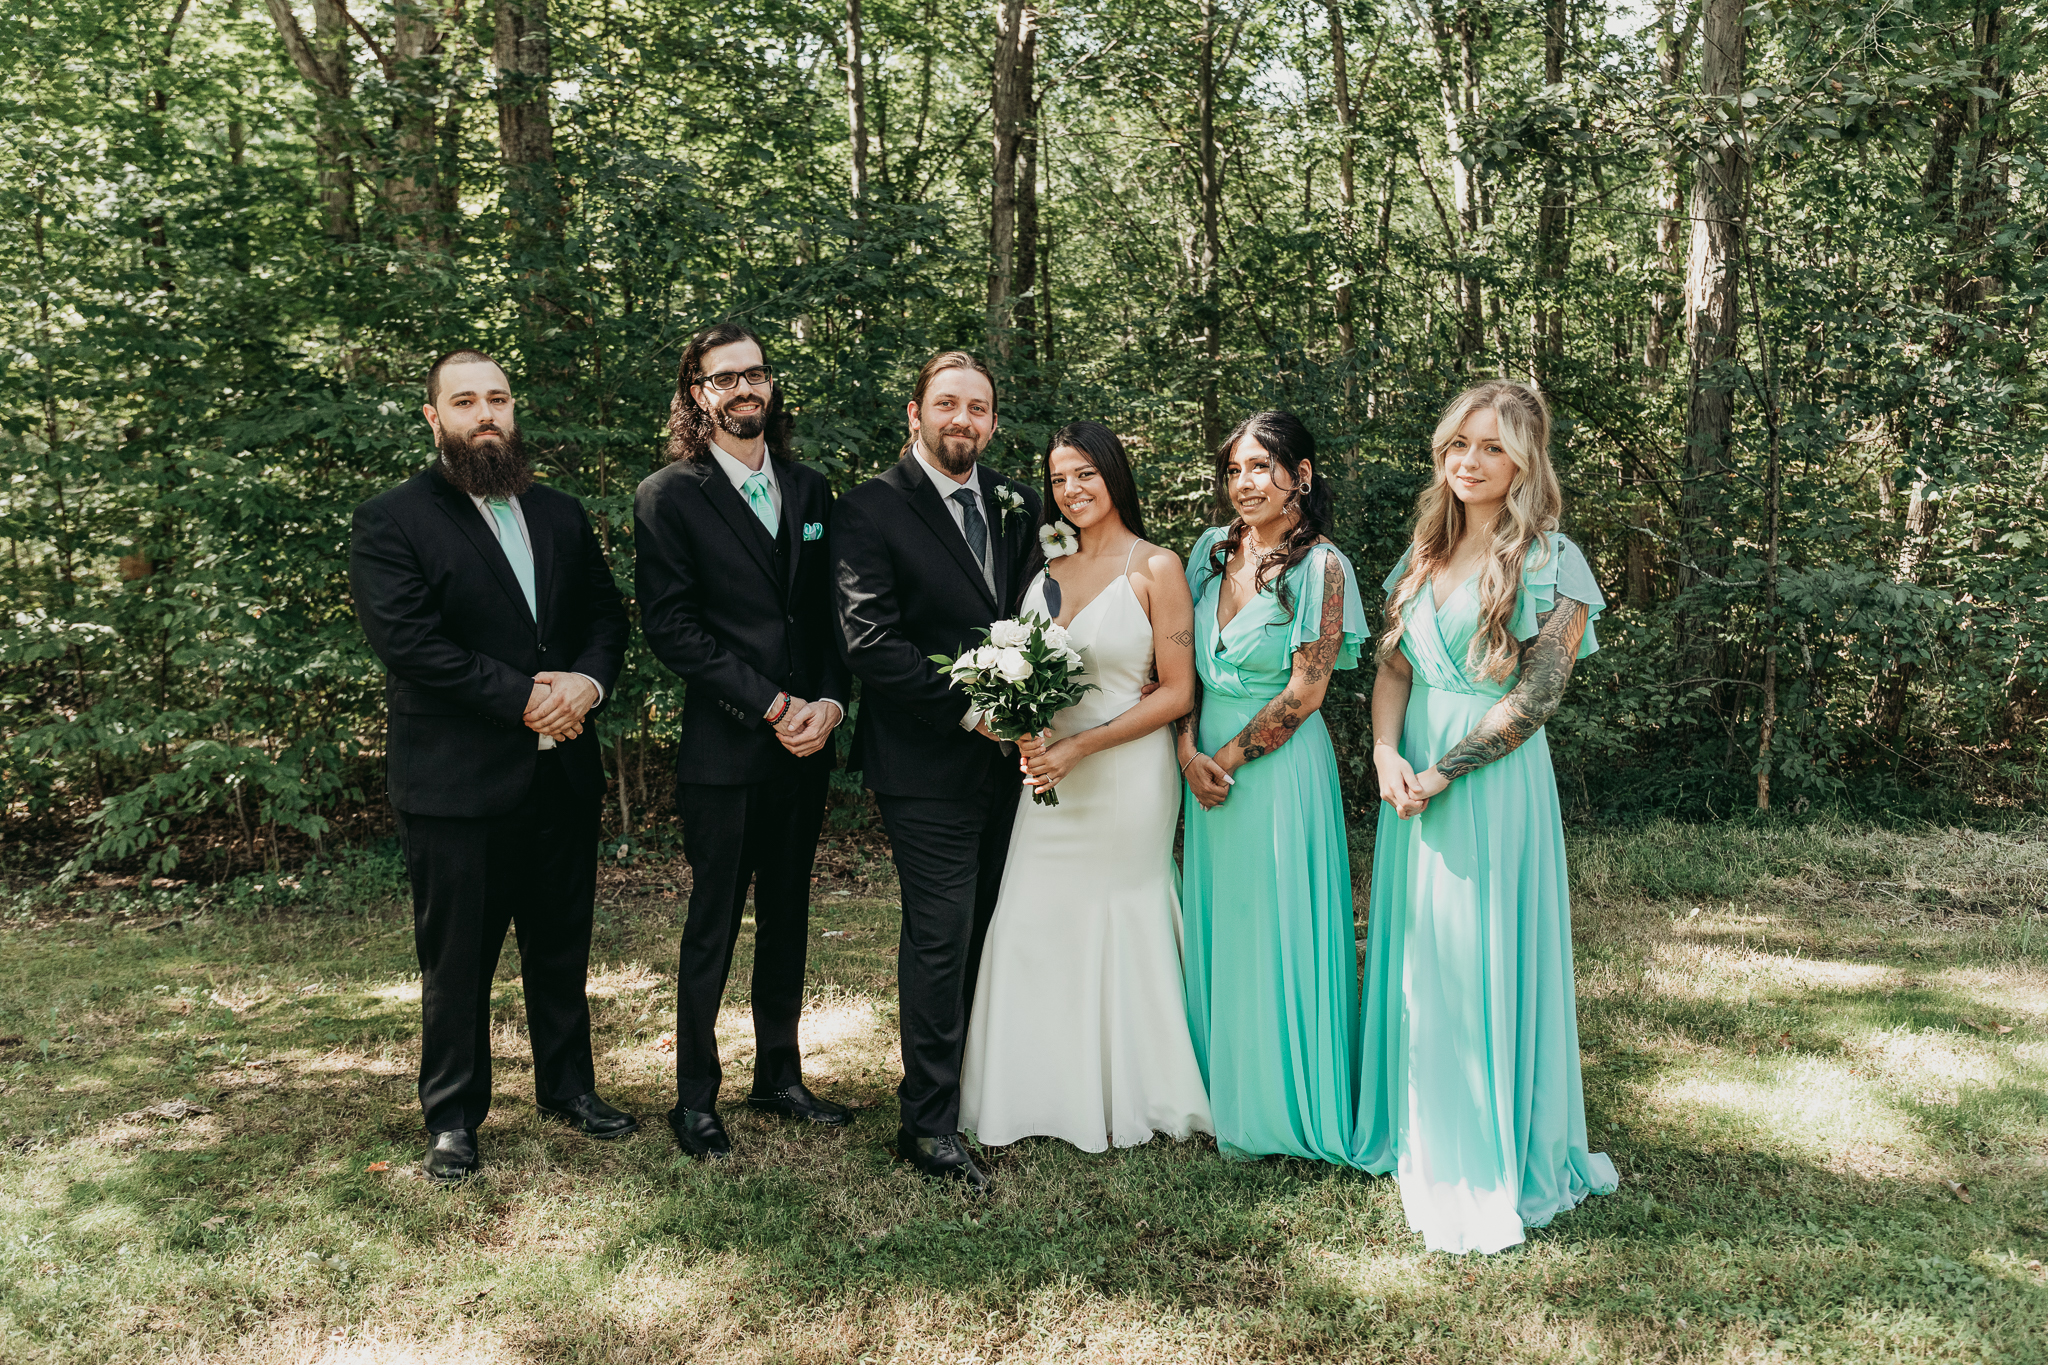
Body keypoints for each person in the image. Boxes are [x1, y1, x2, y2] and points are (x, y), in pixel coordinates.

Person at [349, 349, 634, 1182]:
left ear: (514, 411)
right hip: (456, 781)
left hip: (562, 772)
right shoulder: (393, 518)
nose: (486, 413)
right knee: (457, 959)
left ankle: (569, 1089)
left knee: (561, 947)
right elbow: (410, 644)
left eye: (499, 398)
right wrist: (525, 698)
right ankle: (453, 1116)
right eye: (465, 400)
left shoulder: (559, 512)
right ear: (434, 417)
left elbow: (604, 620)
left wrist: (585, 683)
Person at [1357, 380, 1618, 1254]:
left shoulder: (1558, 561)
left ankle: (1489, 1152)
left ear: (1524, 461)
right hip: (1413, 772)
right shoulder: (1420, 555)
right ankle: (1419, 1128)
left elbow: (1540, 695)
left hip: (1491, 784)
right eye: (1458, 444)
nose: (1469, 462)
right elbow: (1391, 670)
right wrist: (1388, 755)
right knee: (1420, 959)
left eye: (1492, 448)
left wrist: (1440, 770)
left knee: (1480, 955)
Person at [959, 421, 1212, 1153]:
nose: (1071, 490)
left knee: (1119, 913)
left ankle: (1137, 1091)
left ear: (1114, 475)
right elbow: (1022, 673)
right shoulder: (1045, 573)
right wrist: (1020, 731)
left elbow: (1175, 692)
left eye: (1085, 475)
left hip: (1127, 772)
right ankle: (1033, 1090)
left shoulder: (1156, 567)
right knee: (1030, 915)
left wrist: (1082, 747)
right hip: (1048, 773)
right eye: (1059, 478)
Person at [634, 322, 854, 1162]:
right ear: (698, 394)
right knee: (714, 922)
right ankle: (695, 1099)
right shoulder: (668, 495)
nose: (744, 388)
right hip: (727, 749)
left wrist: (830, 702)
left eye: (755, 373)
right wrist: (771, 704)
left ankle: (780, 1074)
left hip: (807, 746)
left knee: (789, 913)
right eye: (724, 378)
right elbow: (674, 630)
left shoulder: (812, 490)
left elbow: (835, 613)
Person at [830, 351, 1042, 1189]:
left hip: (1015, 762)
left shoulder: (1018, 501)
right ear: (914, 414)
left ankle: (986, 1087)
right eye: (947, 404)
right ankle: (927, 1124)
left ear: (993, 421)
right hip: (925, 761)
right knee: (941, 932)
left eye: (979, 407)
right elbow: (869, 641)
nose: (965, 419)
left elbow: (1040, 602)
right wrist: (970, 707)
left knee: (998, 925)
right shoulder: (869, 509)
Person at [1176, 411, 1368, 1166]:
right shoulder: (1209, 550)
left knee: (1276, 927)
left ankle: (1281, 1101)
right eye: (1234, 470)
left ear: (1302, 474)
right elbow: (1180, 660)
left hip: (1275, 771)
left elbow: (1305, 692)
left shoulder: (1323, 568)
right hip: (1204, 765)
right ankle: (1215, 1090)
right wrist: (1187, 748)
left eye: (1261, 467)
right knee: (1221, 924)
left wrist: (1220, 756)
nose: (1245, 483)